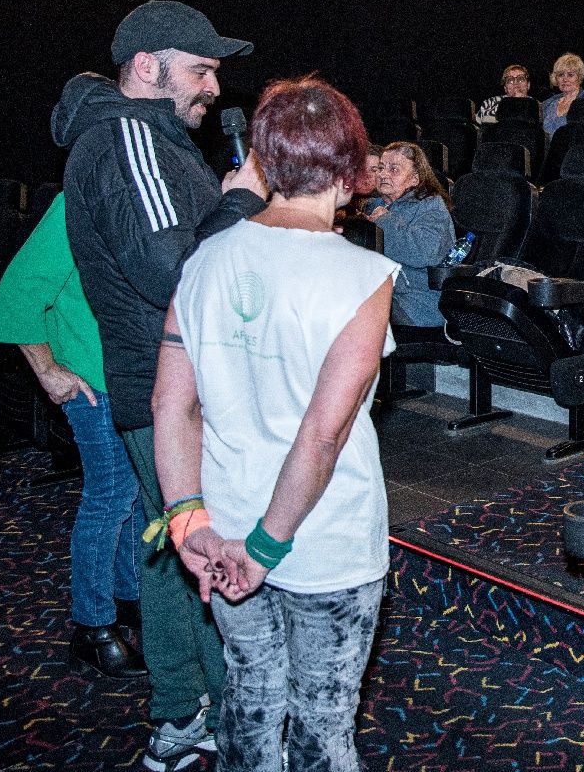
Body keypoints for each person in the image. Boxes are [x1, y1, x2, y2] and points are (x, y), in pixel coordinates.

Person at [151, 76, 396, 772]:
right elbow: (323, 432)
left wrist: (187, 520)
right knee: (323, 723)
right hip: (321, 541)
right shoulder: (364, 276)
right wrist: (266, 546)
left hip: (222, 528)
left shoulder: (205, 261)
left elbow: (171, 404)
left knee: (250, 698)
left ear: (262, 159)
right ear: (350, 170)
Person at [52, 0, 266, 768]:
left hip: (165, 381)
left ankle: (182, 715)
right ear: (149, 67)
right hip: (170, 387)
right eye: (201, 68)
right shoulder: (127, 135)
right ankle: (215, 712)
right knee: (207, 551)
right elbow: (167, 267)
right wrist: (242, 197)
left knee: (173, 549)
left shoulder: (147, 138)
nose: (213, 86)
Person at [0, 192, 145, 680]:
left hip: (132, 377)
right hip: (92, 380)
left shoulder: (142, 196)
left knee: (137, 496)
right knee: (112, 495)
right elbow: (18, 289)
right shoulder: (78, 200)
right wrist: (48, 370)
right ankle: (92, 628)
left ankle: (129, 600)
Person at [368, 141, 454, 342]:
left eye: (394, 169)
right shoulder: (374, 205)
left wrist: (384, 221)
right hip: (386, 297)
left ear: (415, 179)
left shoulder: (431, 207)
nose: (383, 174)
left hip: (416, 303)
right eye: (381, 168)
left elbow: (425, 252)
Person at [542, 52, 584, 135]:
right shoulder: (547, 104)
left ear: (579, 77)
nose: (565, 79)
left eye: (570, 75)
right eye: (561, 75)